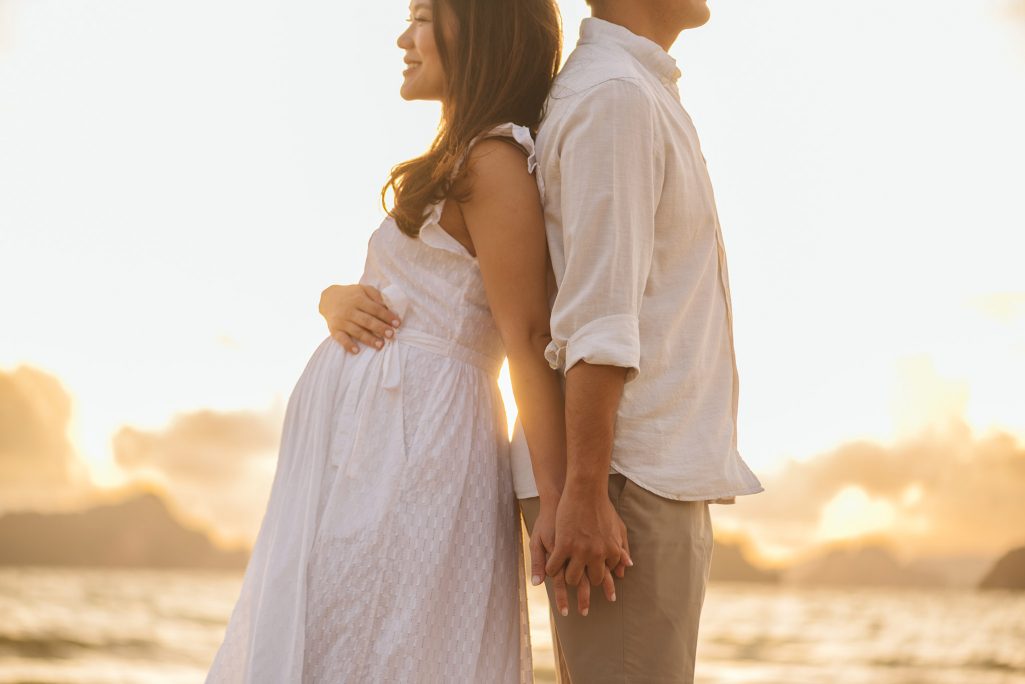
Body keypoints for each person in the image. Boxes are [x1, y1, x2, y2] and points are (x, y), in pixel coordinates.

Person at [329, 0, 764, 682]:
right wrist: (584, 492)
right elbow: (595, 317)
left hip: (626, 475)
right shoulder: (613, 96)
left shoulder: (628, 89)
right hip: (620, 476)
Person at [204, 1, 601, 681]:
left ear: (476, 30)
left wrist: (561, 496)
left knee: (385, 639)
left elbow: (527, 333)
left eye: (421, 16)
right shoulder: (460, 157)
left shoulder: (495, 161)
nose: (402, 37)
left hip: (418, 445)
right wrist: (332, 300)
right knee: (340, 633)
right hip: (374, 450)